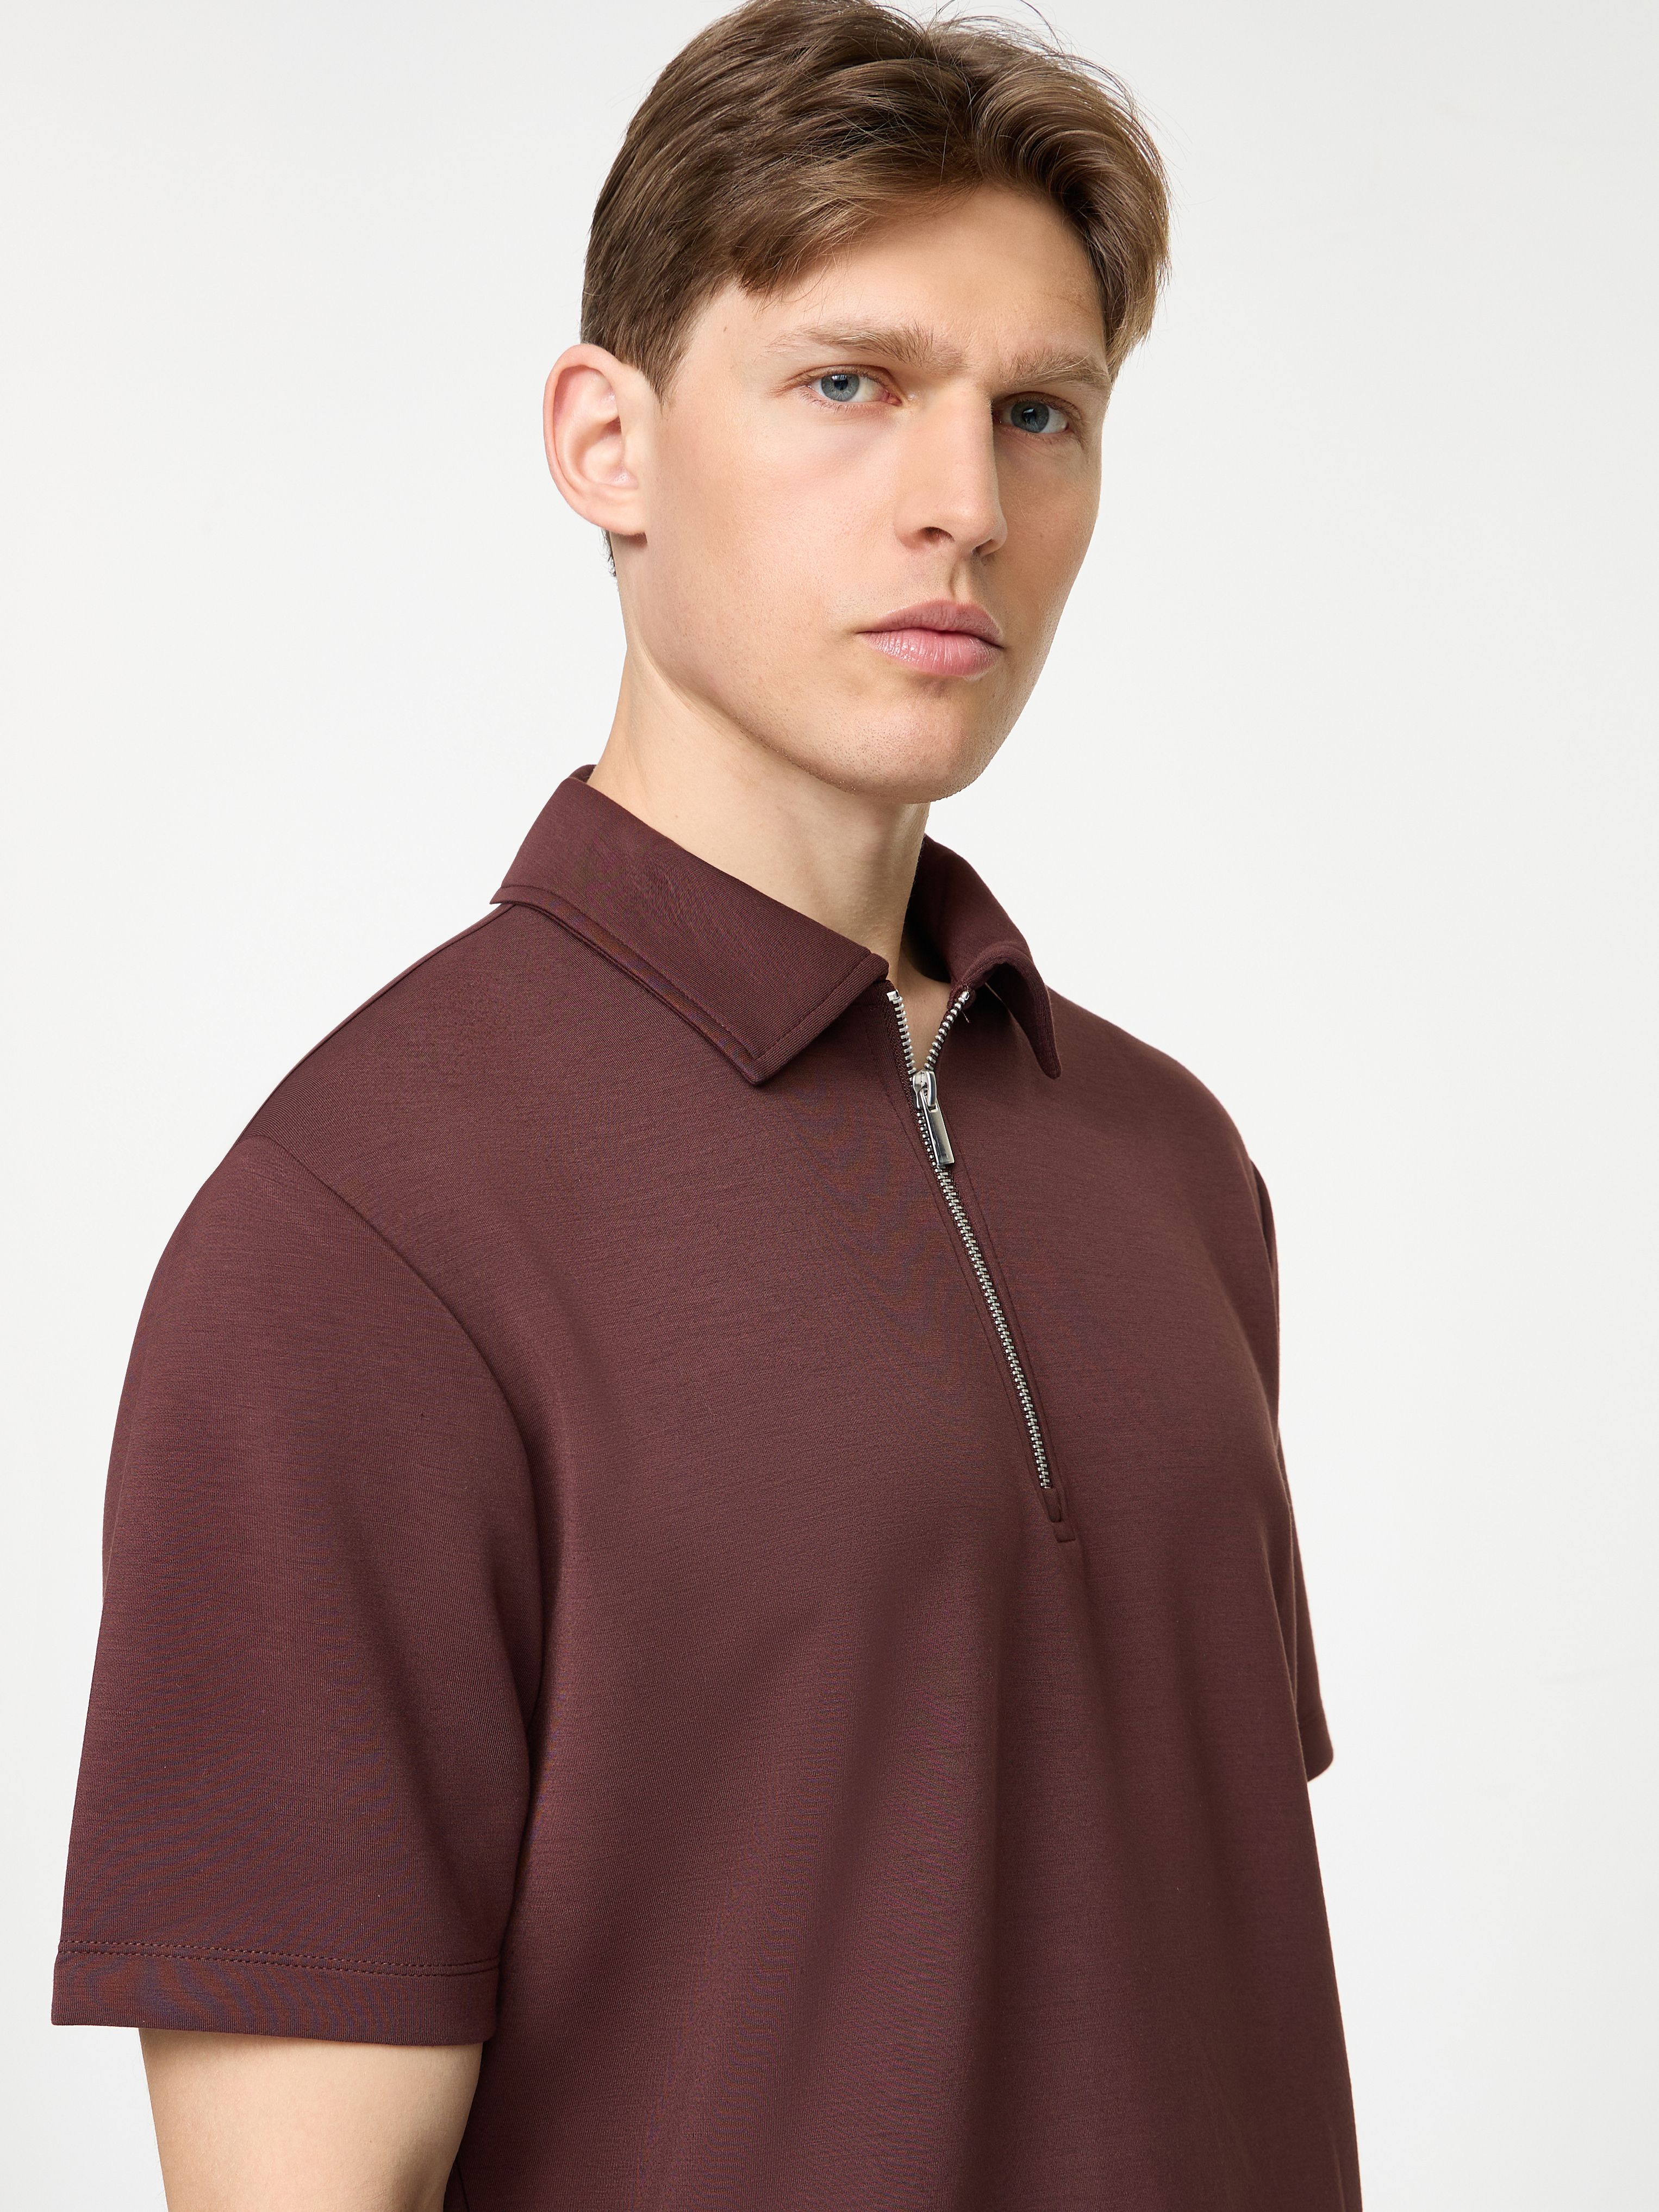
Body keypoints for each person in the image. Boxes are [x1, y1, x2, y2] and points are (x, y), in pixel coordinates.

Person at [53, 2, 1362, 2205]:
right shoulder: (359, 1233)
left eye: (1038, 413)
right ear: (608, 443)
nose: (964, 505)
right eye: (849, 385)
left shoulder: (1168, 1165)